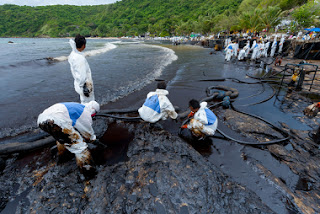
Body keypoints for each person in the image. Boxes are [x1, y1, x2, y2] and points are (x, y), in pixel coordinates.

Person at [37, 100, 100, 179]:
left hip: (41, 120)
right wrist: (93, 140)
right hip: (56, 122)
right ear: (93, 112)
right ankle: (87, 174)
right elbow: (87, 132)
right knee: (80, 148)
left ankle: (63, 157)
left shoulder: (76, 106)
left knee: (61, 138)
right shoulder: (85, 112)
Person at [68, 35, 95, 104]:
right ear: (83, 45)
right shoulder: (79, 58)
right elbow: (82, 76)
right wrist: (85, 89)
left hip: (78, 83)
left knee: (83, 101)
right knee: (88, 103)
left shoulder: (73, 54)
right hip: (85, 86)